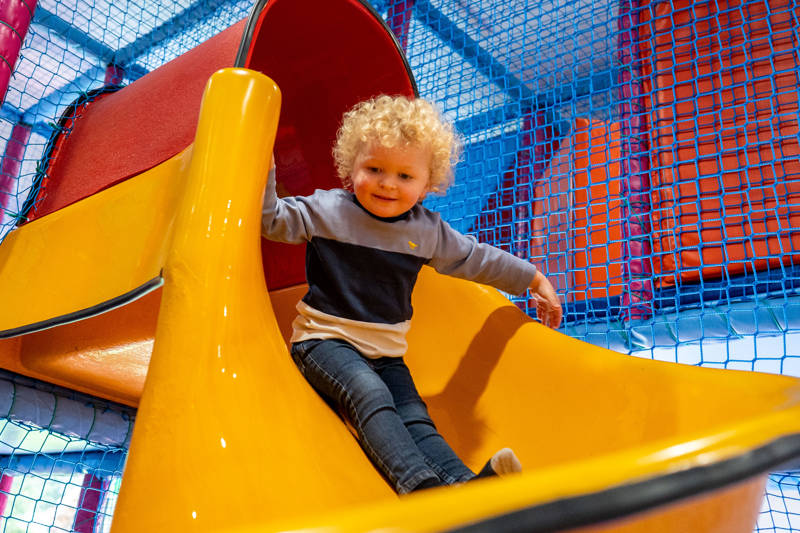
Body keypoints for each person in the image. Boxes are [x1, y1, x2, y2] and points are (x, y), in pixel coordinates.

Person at [261, 95, 562, 494]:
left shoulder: (425, 231)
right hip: (323, 341)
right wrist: (259, 162)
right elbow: (272, 220)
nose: (388, 183)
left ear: (427, 183)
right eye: (375, 169)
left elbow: (477, 258)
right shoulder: (327, 211)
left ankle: (470, 488)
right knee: (367, 393)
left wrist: (533, 278)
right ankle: (421, 489)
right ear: (352, 167)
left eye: (405, 176)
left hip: (386, 353)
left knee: (415, 416)